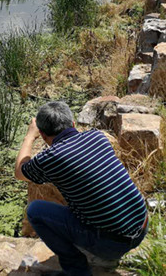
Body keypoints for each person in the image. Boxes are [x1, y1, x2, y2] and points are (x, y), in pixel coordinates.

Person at [15, 101, 148, 276]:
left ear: (43, 134)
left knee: (35, 211)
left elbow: (19, 172)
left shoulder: (51, 158)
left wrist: (30, 136)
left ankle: (76, 270)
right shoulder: (97, 137)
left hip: (113, 245)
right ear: (73, 124)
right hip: (142, 225)